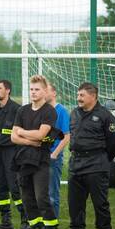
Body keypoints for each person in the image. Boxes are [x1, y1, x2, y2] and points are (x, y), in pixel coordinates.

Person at [64, 82, 115, 229]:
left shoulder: (105, 116)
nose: (78, 98)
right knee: (75, 205)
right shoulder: (74, 113)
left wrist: (101, 158)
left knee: (100, 204)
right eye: (78, 95)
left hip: (96, 164)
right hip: (76, 165)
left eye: (82, 95)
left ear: (93, 96)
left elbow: (114, 143)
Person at [11, 75, 62, 229]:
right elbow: (13, 136)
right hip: (23, 161)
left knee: (42, 198)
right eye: (31, 89)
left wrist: (22, 132)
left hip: (41, 161)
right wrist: (30, 140)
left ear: (45, 91)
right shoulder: (22, 111)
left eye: (37, 89)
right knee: (28, 200)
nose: (33, 92)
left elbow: (41, 135)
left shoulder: (49, 111)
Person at [0, 80, 30, 229]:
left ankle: (26, 221)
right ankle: (6, 222)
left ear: (8, 90)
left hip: (14, 152)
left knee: (15, 188)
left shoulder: (17, 110)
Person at [45, 83, 70, 219]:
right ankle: (41, 223)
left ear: (54, 93)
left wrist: (54, 154)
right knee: (40, 192)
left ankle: (51, 224)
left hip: (53, 158)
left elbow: (67, 136)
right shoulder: (42, 110)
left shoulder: (62, 111)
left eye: (46, 90)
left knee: (52, 193)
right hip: (40, 156)